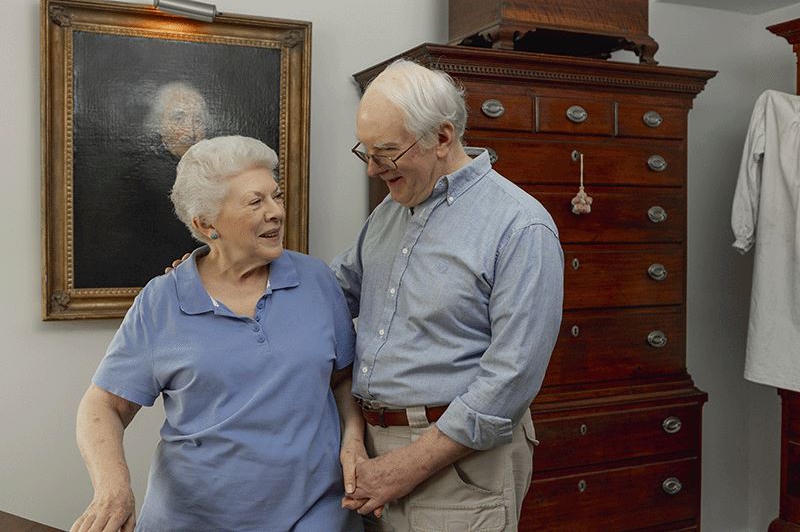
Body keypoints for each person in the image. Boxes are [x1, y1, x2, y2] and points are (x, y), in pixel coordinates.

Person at [71, 136, 364, 532]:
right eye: (255, 202)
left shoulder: (316, 281)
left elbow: (343, 380)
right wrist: (113, 489)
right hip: (191, 520)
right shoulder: (163, 300)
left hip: (315, 516)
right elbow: (102, 407)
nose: (276, 212)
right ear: (206, 224)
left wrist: (353, 439)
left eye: (275, 196)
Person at [334, 59, 564, 531]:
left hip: (455, 463)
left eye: (388, 153)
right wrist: (222, 273)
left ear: (442, 138)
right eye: (367, 152)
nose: (375, 169)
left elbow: (510, 380)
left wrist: (408, 466)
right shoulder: (388, 213)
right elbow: (332, 296)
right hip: (371, 453)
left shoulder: (520, 226)